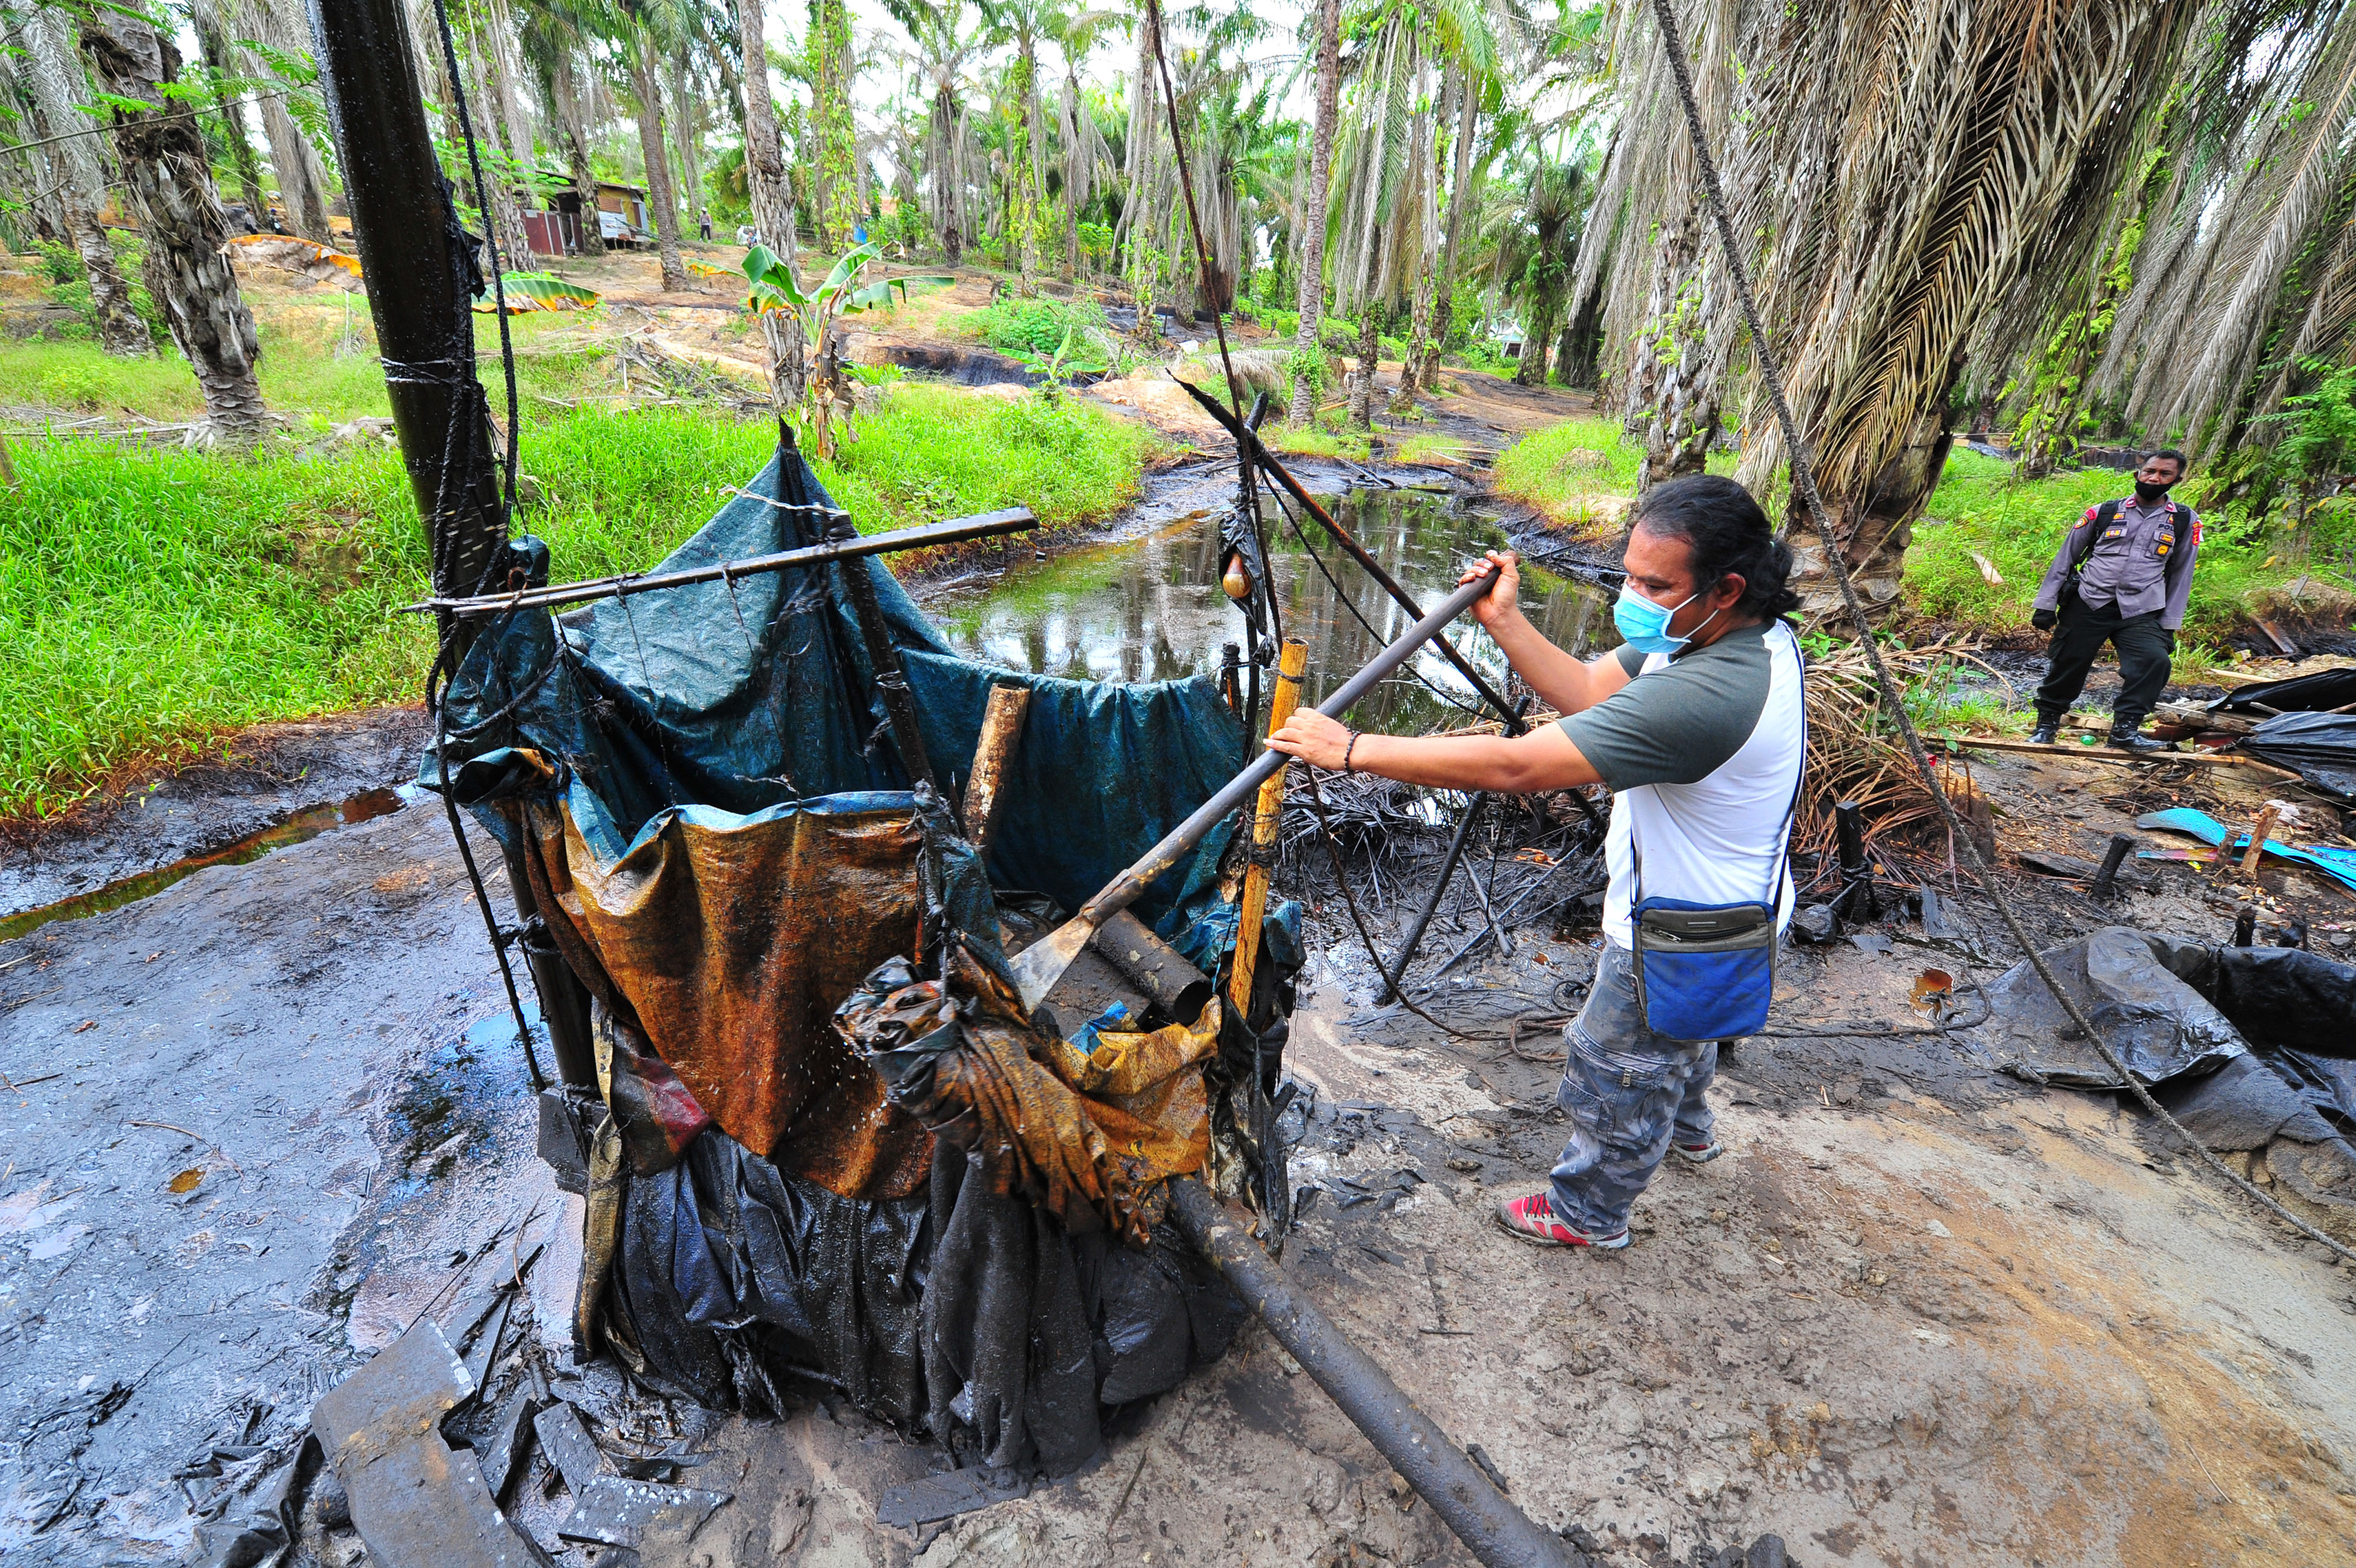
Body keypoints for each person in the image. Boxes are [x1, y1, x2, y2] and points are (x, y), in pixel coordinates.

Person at [1267, 475, 1806, 1249]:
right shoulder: (1716, 634)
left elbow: (1517, 767)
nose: (1634, 595)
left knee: (1614, 1061)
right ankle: (1687, 1132)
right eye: (1629, 574)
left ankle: (1589, 1213)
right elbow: (1587, 689)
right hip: (1734, 908)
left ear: (1725, 585)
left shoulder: (1713, 691)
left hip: (1682, 929)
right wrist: (1509, 622)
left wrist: (1352, 749)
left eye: (1654, 584)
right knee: (1678, 1040)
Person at [2027, 449, 2200, 752]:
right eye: (2150, 471)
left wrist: (2170, 623)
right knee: (2068, 662)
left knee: (2153, 661)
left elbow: (2182, 574)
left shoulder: (2184, 521)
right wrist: (2045, 603)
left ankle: (2125, 731)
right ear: (2138, 473)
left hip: (2141, 608)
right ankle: (2046, 726)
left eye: (2164, 474)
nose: (2154, 478)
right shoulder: (2102, 512)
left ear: (2177, 480)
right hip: (2089, 600)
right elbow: (2065, 558)